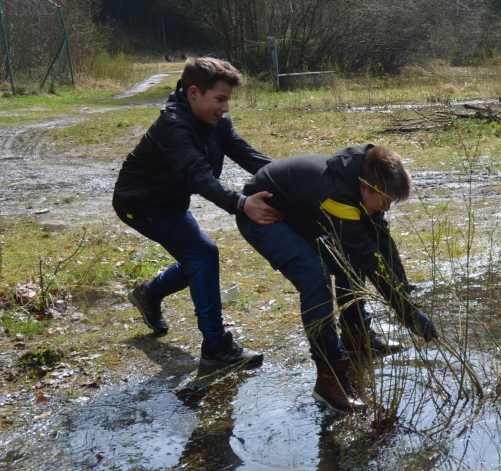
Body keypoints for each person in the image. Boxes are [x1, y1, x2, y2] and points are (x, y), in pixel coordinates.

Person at [236, 144, 439, 412]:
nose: (386, 208)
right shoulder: (339, 196)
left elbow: (381, 241)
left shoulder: (362, 183)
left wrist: (404, 292)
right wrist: (405, 312)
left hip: (300, 216)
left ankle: (356, 335)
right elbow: (368, 256)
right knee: (315, 278)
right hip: (263, 217)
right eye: (385, 201)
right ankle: (330, 377)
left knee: (351, 262)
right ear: (366, 188)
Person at [113, 57, 283, 369]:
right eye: (220, 99)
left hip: (169, 203)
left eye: (227, 100)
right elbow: (199, 176)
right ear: (194, 92)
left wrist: (290, 177)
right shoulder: (173, 127)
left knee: (197, 258)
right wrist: (242, 203)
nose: (225, 108)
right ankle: (216, 347)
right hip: (141, 205)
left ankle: (149, 295)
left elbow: (247, 154)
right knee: (203, 255)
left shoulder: (215, 123)